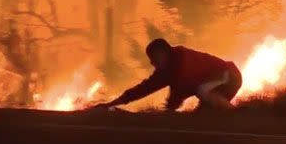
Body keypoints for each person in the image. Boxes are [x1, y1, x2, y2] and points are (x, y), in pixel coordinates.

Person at [93, 38, 242, 111]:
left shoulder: (182, 60)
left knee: (202, 90)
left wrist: (168, 111)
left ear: (163, 53)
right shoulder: (165, 71)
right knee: (202, 116)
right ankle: (228, 114)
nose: (152, 63)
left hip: (229, 76)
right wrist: (111, 104)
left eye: (153, 58)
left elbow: (178, 92)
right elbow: (143, 89)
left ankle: (235, 114)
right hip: (215, 87)